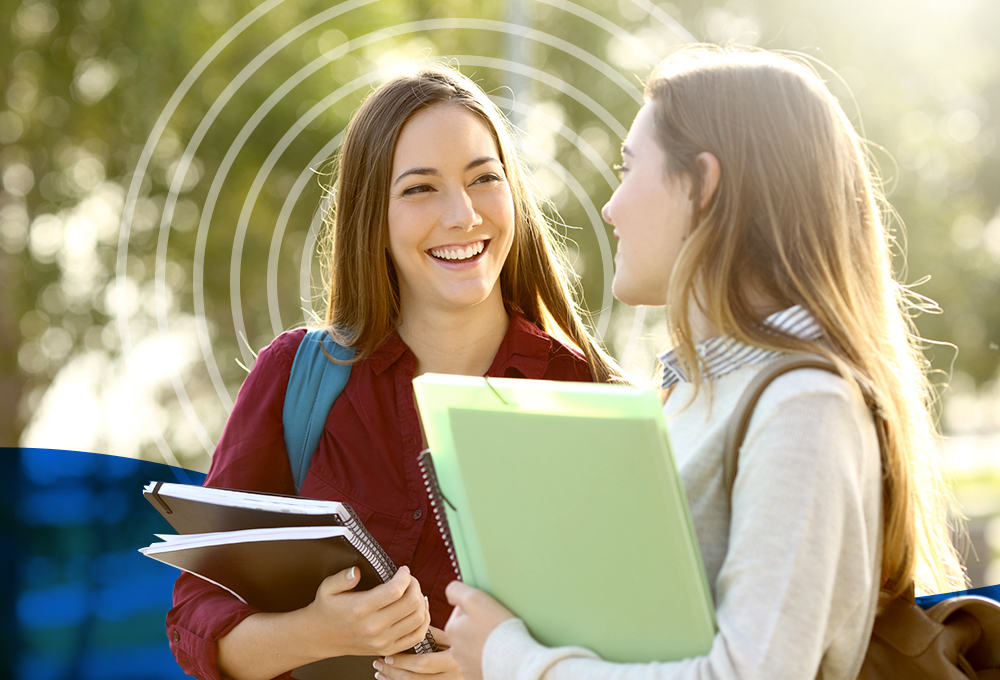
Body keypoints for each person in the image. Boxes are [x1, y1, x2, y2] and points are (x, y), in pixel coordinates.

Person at [437, 44, 968, 680]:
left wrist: (512, 659)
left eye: (630, 168)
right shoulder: (690, 392)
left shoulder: (804, 406)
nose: (611, 206)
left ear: (704, 185)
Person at [165, 64, 621, 680]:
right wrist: (315, 634)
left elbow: (644, 646)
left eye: (484, 178)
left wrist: (496, 669)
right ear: (371, 216)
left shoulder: (593, 397)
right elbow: (197, 619)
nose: (462, 215)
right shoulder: (296, 378)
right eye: (419, 189)